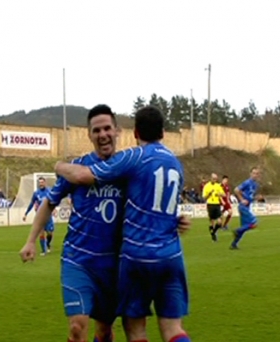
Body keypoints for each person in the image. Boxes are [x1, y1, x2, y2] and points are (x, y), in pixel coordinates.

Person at [54, 105, 192, 342]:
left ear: (135, 132)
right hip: (172, 255)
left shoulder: (132, 157)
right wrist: (175, 220)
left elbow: (83, 175)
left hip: (137, 256)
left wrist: (58, 167)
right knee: (173, 329)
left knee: (136, 329)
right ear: (163, 133)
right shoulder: (176, 165)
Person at [20, 104, 124, 342]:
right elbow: (49, 203)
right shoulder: (77, 167)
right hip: (78, 260)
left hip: (113, 264)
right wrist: (30, 241)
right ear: (89, 135)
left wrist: (170, 221)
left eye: (107, 128)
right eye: (96, 130)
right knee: (77, 328)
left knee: (105, 330)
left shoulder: (127, 168)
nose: (103, 135)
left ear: (117, 131)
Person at [230, 167, 261, 250]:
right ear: (250, 174)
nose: (255, 175)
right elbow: (236, 190)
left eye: (257, 173)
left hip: (247, 207)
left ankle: (234, 244)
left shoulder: (255, 185)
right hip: (243, 207)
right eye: (254, 173)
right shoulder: (247, 182)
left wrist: (255, 198)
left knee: (244, 227)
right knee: (254, 223)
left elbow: (249, 196)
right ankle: (237, 230)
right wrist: (241, 199)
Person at [22, 177, 54, 255]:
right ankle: (44, 251)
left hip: (48, 215)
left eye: (42, 182)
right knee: (41, 233)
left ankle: (48, 244)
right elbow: (31, 203)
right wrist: (26, 213)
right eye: (39, 182)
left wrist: (54, 209)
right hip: (40, 216)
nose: (41, 184)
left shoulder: (49, 191)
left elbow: (54, 200)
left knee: (50, 233)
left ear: (45, 182)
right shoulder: (36, 193)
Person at [202, 173, 225, 242]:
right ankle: (213, 236)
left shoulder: (218, 186)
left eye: (215, 179)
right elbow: (204, 197)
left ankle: (213, 232)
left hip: (217, 204)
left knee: (220, 221)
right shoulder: (206, 186)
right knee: (212, 221)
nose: (214, 180)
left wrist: (220, 194)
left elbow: (223, 194)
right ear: (210, 178)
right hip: (210, 204)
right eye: (213, 179)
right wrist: (209, 194)